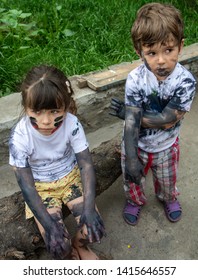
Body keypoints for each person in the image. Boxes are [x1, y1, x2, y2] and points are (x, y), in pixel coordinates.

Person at [110, 2, 196, 226]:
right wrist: (130, 158)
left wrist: (129, 115)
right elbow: (131, 127)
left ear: (181, 45)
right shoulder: (135, 79)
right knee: (132, 179)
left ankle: (168, 197)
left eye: (169, 50)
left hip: (166, 146)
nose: (161, 60)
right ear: (139, 52)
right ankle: (135, 201)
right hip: (137, 144)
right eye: (151, 52)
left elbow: (167, 120)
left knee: (167, 179)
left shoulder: (185, 82)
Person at [9, 64, 105, 259]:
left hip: (70, 179)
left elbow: (86, 164)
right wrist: (49, 225)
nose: (46, 121)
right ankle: (69, 251)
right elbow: (27, 187)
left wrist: (89, 207)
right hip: (41, 187)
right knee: (58, 246)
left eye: (54, 111)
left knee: (95, 230)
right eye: (37, 112)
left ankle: (80, 245)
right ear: (26, 107)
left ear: (66, 105)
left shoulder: (71, 123)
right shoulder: (20, 136)